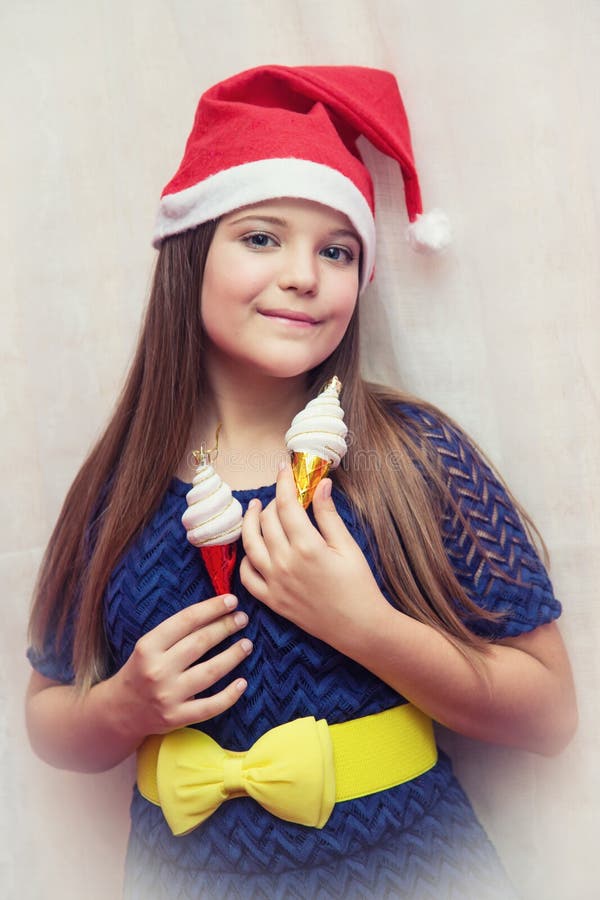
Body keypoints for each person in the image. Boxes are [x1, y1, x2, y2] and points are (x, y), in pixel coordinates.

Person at [25, 65, 577, 899]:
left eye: (338, 250)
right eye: (260, 237)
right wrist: (120, 709)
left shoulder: (417, 459)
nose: (304, 275)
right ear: (189, 255)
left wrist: (364, 625)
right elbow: (46, 718)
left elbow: (550, 715)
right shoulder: (116, 487)